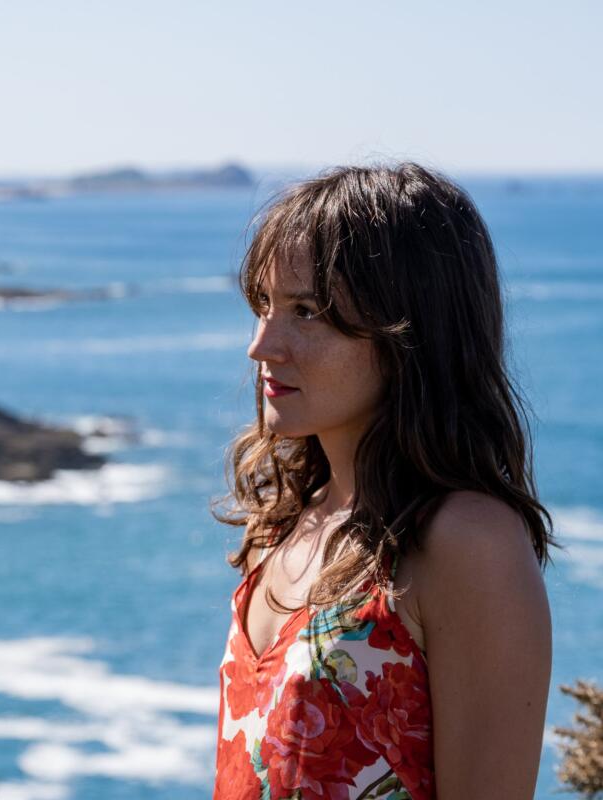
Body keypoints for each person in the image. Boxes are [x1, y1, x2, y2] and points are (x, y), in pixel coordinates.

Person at [212, 164, 554, 799]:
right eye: (263, 305)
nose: (262, 344)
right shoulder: (283, 524)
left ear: (411, 329)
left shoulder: (465, 543)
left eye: (307, 311)